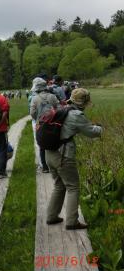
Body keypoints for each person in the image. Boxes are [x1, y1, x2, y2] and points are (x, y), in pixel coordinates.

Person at [46, 88, 102, 230]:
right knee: (73, 187)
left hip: (49, 153)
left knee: (59, 185)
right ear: (84, 102)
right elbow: (92, 133)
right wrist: (101, 128)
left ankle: (51, 216)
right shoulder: (76, 114)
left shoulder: (61, 108)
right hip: (63, 155)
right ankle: (72, 221)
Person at [30, 77, 60, 173]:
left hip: (40, 125)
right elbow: (58, 109)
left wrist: (38, 120)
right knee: (54, 143)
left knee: (42, 145)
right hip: (53, 124)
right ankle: (55, 165)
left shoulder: (35, 99)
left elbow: (32, 113)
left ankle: (45, 167)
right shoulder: (53, 96)